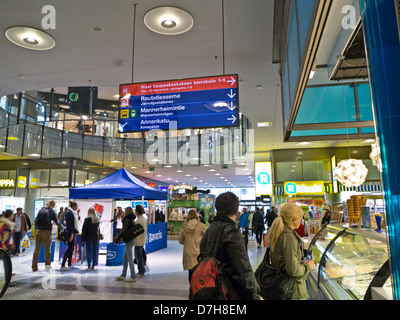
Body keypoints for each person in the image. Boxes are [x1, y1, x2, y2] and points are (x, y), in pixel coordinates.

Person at [199, 192, 260, 300]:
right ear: (236, 211)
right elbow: (242, 271)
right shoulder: (232, 232)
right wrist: (254, 295)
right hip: (228, 293)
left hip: (210, 289)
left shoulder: (209, 230)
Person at [266, 203, 315, 300]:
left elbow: (284, 260)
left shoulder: (279, 231)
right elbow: (293, 270)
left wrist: (300, 263)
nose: (301, 222)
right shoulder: (289, 237)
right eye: (300, 218)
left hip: (280, 286)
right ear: (294, 219)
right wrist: (308, 267)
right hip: (292, 291)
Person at [179, 209, 207, 286]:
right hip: (198, 253)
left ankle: (191, 289)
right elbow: (207, 237)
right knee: (198, 273)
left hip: (188, 252)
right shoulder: (201, 226)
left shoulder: (184, 227)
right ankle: (197, 290)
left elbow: (181, 241)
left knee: (191, 273)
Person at [32, 200, 60, 271]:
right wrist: (62, 229)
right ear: (53, 205)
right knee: (47, 249)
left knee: (36, 249)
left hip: (38, 231)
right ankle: (47, 265)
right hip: (46, 232)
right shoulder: (51, 211)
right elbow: (57, 222)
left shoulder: (41, 210)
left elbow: (36, 221)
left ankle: (34, 266)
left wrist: (36, 231)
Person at [115, 207, 137, 282]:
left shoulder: (127, 220)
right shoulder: (132, 219)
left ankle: (133, 276)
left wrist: (118, 238)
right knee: (125, 258)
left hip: (128, 240)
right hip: (131, 239)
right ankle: (123, 275)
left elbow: (124, 230)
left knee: (130, 259)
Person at [60, 201, 80, 271]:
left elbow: (75, 221)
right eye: (76, 206)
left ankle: (69, 264)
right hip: (70, 233)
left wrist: (78, 213)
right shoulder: (69, 213)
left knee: (71, 249)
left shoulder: (73, 213)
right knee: (69, 249)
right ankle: (62, 265)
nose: (77, 207)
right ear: (73, 206)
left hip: (72, 232)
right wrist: (71, 234)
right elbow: (69, 224)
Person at [134, 205, 147, 276]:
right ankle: (141, 269)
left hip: (139, 240)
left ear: (137, 211)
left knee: (138, 256)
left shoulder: (140, 220)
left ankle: (141, 270)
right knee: (139, 255)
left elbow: (137, 230)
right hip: (140, 240)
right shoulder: (142, 219)